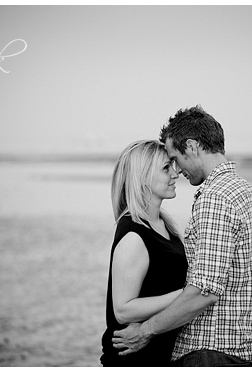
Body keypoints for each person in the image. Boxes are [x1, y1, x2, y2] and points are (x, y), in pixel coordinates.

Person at [112, 105, 252, 367]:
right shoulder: (243, 190)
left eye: (175, 158)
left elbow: (204, 292)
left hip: (210, 352)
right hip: (232, 350)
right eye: (167, 165)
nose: (177, 171)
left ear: (192, 147)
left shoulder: (216, 198)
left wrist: (146, 331)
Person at [100, 140, 187, 366]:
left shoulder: (164, 224)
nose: (175, 173)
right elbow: (123, 310)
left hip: (160, 355)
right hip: (133, 359)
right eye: (166, 168)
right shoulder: (133, 234)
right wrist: (187, 295)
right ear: (143, 177)